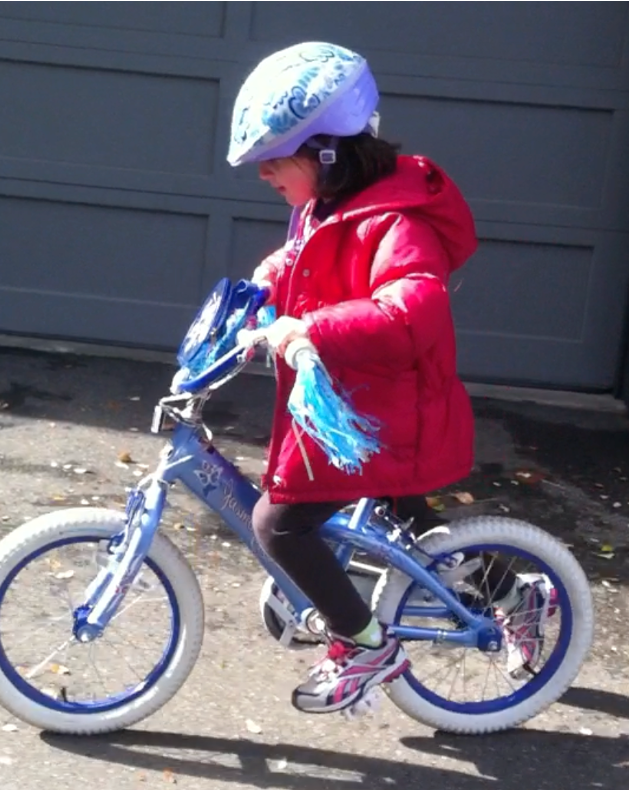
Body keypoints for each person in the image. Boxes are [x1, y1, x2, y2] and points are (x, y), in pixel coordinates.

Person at [227, 41, 552, 714]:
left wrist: (311, 330)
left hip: (390, 413)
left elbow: (409, 311)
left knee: (279, 524)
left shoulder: (399, 222)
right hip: (363, 403)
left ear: (327, 153)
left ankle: (364, 646)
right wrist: (273, 277)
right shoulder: (329, 204)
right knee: (419, 531)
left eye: (276, 158)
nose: (264, 172)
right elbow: (319, 262)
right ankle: (519, 596)